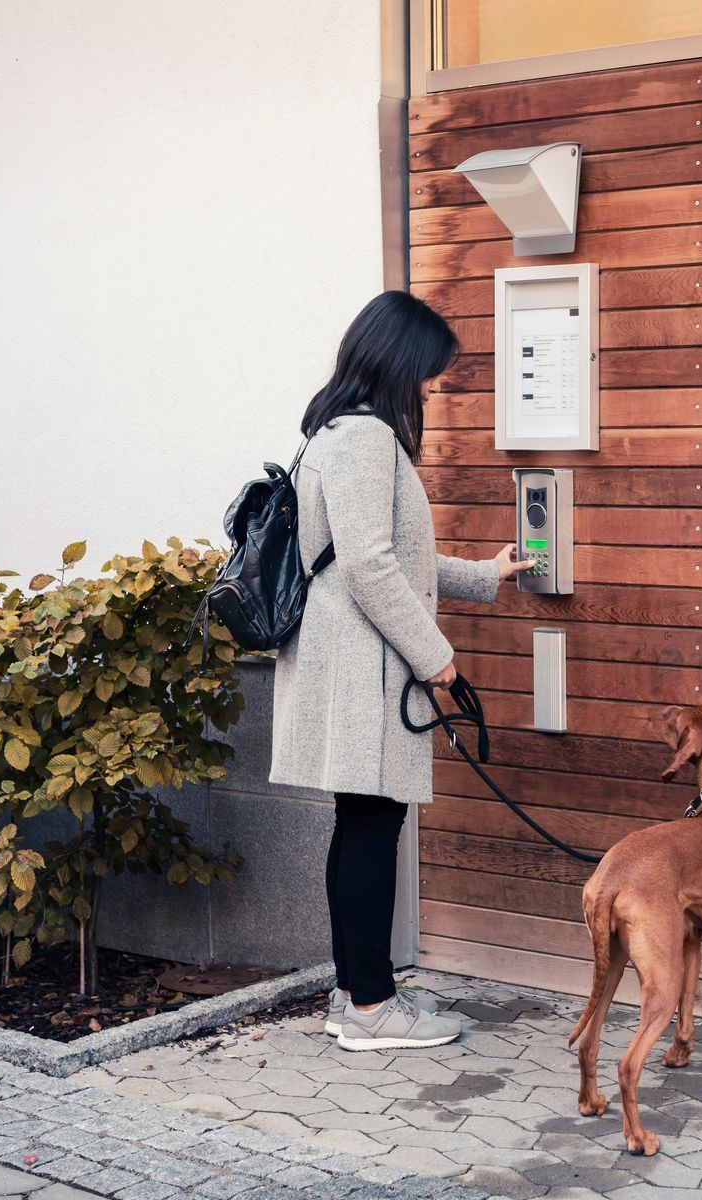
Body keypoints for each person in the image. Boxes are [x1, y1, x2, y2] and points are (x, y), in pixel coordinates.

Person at [270, 291, 532, 1051]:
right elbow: (370, 567)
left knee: (362, 825)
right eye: (428, 374)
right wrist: (437, 658)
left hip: (353, 658)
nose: (431, 389)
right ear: (398, 362)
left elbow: (394, 559)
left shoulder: (342, 432)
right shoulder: (361, 439)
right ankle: (371, 1009)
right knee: (372, 828)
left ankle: (355, 992)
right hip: (360, 664)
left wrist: (485, 574)